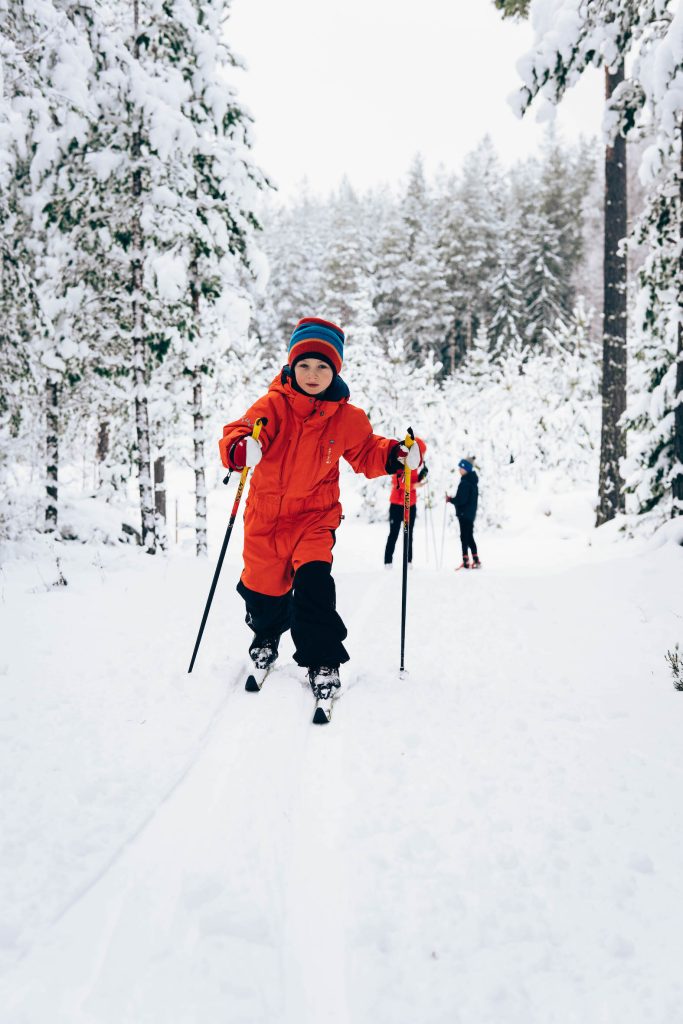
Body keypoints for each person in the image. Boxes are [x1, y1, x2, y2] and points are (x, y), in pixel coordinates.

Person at [218, 317, 421, 704]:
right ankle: (265, 634)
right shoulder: (273, 405)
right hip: (265, 517)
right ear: (292, 367)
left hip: (314, 517)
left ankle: (323, 661)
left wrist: (396, 454)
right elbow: (238, 432)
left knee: (314, 589)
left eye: (322, 367)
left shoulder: (346, 417)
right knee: (263, 594)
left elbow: (367, 451)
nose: (313, 375)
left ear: (335, 370)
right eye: (305, 365)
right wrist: (240, 449)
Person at [383, 437, 428, 567]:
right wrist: (414, 486)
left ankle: (408, 562)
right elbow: (396, 482)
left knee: (409, 534)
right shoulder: (401, 460)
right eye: (422, 453)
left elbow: (415, 479)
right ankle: (388, 562)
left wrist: (422, 476)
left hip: (411, 504)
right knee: (394, 533)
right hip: (397, 504)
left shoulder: (417, 465)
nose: (423, 456)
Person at [446, 459, 480, 569]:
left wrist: (450, 500)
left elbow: (461, 500)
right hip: (470, 513)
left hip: (464, 513)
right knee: (468, 536)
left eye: (461, 468)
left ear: (466, 469)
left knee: (464, 537)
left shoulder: (465, 482)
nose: (459, 470)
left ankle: (466, 561)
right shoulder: (472, 481)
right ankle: (475, 560)